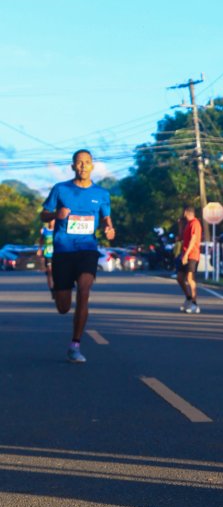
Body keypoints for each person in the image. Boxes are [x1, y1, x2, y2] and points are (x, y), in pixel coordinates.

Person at [41, 149, 115, 364]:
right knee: (63, 308)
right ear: (73, 166)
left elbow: (106, 218)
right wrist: (56, 214)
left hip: (87, 249)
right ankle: (58, 290)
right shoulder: (60, 189)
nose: (83, 166)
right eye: (79, 162)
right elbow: (43, 214)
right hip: (63, 251)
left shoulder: (102, 194)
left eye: (87, 162)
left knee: (84, 290)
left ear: (92, 166)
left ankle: (75, 345)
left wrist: (109, 229)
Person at [177, 205, 202, 313]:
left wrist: (187, 254)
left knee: (190, 278)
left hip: (192, 255)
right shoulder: (187, 224)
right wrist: (180, 226)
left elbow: (193, 239)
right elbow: (180, 238)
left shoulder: (195, 223)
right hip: (185, 254)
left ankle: (195, 304)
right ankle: (188, 297)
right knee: (180, 277)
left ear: (187, 213)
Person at [37, 218, 55, 298]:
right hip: (48, 254)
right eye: (51, 220)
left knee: (56, 272)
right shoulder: (44, 230)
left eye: (53, 220)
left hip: (57, 253)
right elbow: (41, 240)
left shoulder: (58, 230)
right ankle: (52, 289)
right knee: (50, 271)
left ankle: (57, 287)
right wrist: (39, 249)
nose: (52, 222)